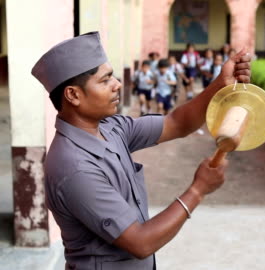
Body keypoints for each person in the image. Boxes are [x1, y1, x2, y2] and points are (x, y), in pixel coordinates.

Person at [31, 32, 251, 269]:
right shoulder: (73, 167)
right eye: (105, 80)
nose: (117, 84)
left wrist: (220, 84)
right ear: (73, 95)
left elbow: (177, 123)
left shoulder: (110, 127)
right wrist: (198, 190)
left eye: (113, 76)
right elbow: (140, 242)